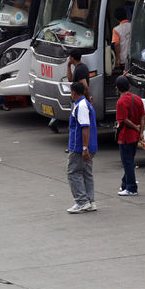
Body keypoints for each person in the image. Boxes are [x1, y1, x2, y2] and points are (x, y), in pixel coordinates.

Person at [66, 81, 97, 214]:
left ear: (73, 93)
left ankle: (81, 202)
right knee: (86, 173)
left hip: (79, 146)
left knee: (73, 172)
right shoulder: (86, 104)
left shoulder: (81, 106)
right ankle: (90, 201)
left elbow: (85, 127)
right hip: (90, 145)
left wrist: (84, 148)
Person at [115, 75, 145, 196]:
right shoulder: (137, 99)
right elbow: (143, 117)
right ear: (129, 86)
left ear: (117, 88)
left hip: (125, 136)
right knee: (130, 161)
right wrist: (141, 132)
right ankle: (125, 184)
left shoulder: (120, 102)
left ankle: (131, 188)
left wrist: (134, 127)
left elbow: (123, 120)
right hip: (135, 136)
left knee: (127, 163)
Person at [55, 52, 91, 133]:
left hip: (78, 100)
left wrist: (88, 100)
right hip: (75, 100)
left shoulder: (80, 69)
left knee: (77, 123)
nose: (68, 58)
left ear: (72, 58)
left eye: (69, 56)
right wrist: (68, 66)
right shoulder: (78, 68)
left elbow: (85, 87)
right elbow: (70, 80)